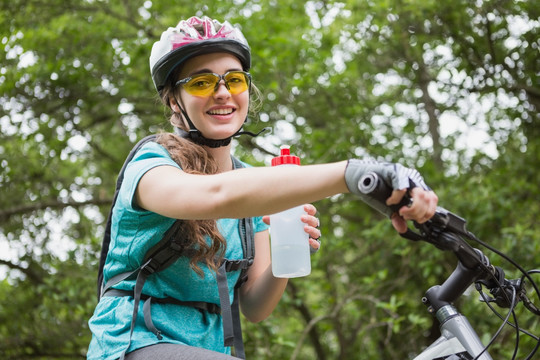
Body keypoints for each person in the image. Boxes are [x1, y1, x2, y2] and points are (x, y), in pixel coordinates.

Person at [87, 16, 438, 360]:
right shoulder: (151, 164)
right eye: (201, 82)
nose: (222, 92)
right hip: (133, 344)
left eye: (234, 80)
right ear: (174, 101)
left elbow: (255, 306)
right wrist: (355, 174)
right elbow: (215, 195)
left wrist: (287, 250)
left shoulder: (253, 187)